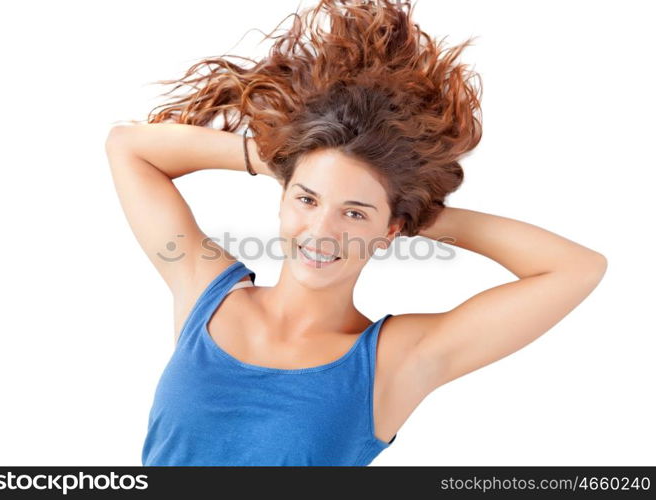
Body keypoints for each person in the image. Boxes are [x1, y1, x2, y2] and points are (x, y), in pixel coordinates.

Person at [104, 0, 607, 466]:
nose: (321, 230)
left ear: (389, 231)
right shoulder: (205, 296)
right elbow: (128, 147)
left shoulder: (392, 360)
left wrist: (414, 213)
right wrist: (284, 158)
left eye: (354, 214)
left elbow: (576, 269)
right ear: (283, 199)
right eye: (306, 199)